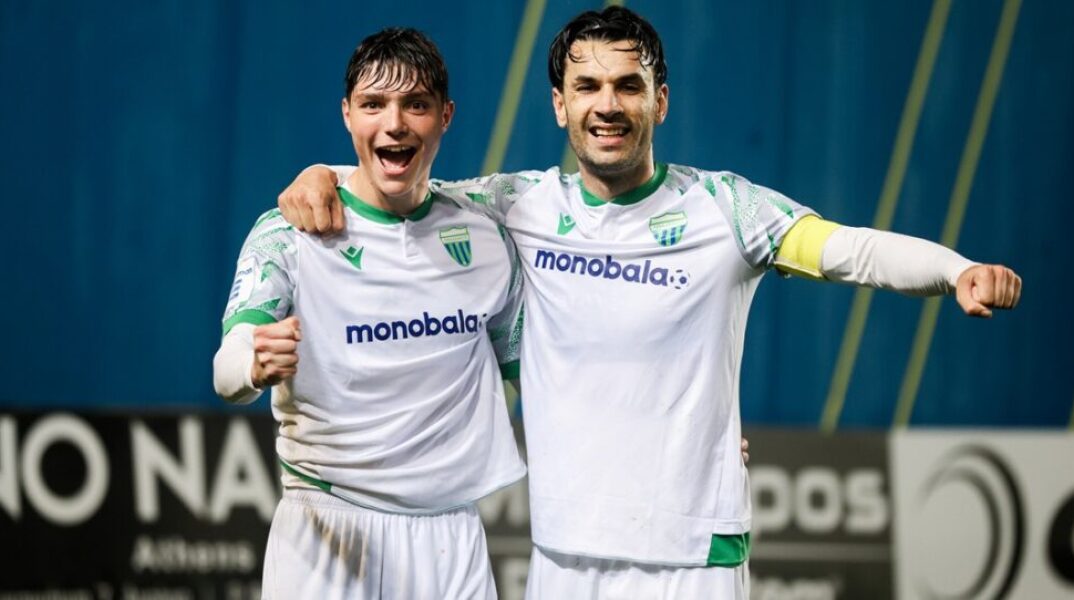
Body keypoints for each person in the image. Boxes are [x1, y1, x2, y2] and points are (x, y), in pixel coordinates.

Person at [277, 7, 1022, 598]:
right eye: (587, 88)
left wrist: (954, 270)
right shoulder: (514, 207)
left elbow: (847, 248)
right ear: (559, 105)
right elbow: (397, 185)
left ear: (659, 101)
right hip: (563, 558)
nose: (608, 105)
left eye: (628, 86)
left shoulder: (726, 209)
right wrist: (321, 175)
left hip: (692, 557)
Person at [212, 28, 528, 599]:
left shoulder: (485, 228)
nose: (395, 123)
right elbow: (227, 369)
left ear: (446, 115)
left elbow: (537, 377)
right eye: (373, 104)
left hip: (451, 539)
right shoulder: (290, 232)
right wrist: (253, 363)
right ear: (347, 114)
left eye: (416, 104)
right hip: (326, 533)